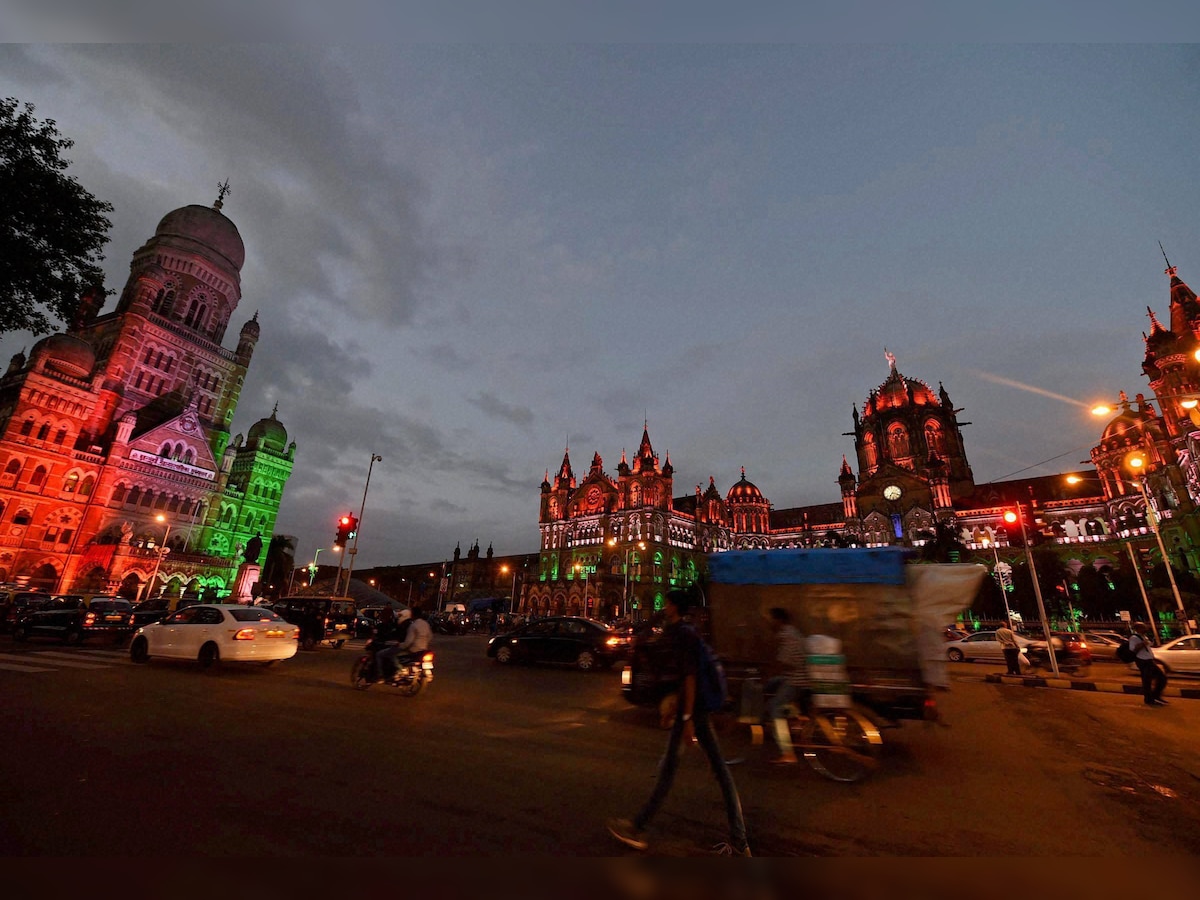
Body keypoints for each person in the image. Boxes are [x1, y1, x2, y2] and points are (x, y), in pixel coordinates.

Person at [607, 591, 751, 856]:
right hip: (691, 709)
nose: (664, 606)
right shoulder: (681, 630)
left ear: (675, 607)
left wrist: (685, 718)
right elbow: (680, 676)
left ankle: (638, 827)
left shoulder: (682, 633)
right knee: (711, 772)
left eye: (668, 603)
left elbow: (689, 677)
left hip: (693, 711)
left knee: (678, 771)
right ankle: (739, 841)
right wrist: (673, 708)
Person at [764, 607, 808, 765]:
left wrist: (766, 676)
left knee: (775, 707)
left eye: (771, 619)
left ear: (779, 620)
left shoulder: (788, 636)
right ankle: (793, 718)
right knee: (772, 687)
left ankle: (787, 752)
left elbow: (782, 663)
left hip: (797, 680)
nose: (769, 623)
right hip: (794, 677)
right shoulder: (792, 632)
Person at [1130, 622, 1168, 707]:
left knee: (1162, 678)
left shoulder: (1144, 637)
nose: (1146, 629)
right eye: (1143, 627)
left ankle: (1155, 696)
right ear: (1138, 629)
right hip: (1143, 661)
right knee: (1147, 681)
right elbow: (1132, 649)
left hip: (1149, 660)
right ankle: (1149, 699)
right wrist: (1142, 644)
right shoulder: (1134, 638)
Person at [372, 606, 410, 681]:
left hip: (399, 646)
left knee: (380, 655)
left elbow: (394, 635)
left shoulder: (400, 625)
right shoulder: (404, 625)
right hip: (403, 646)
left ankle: (381, 675)